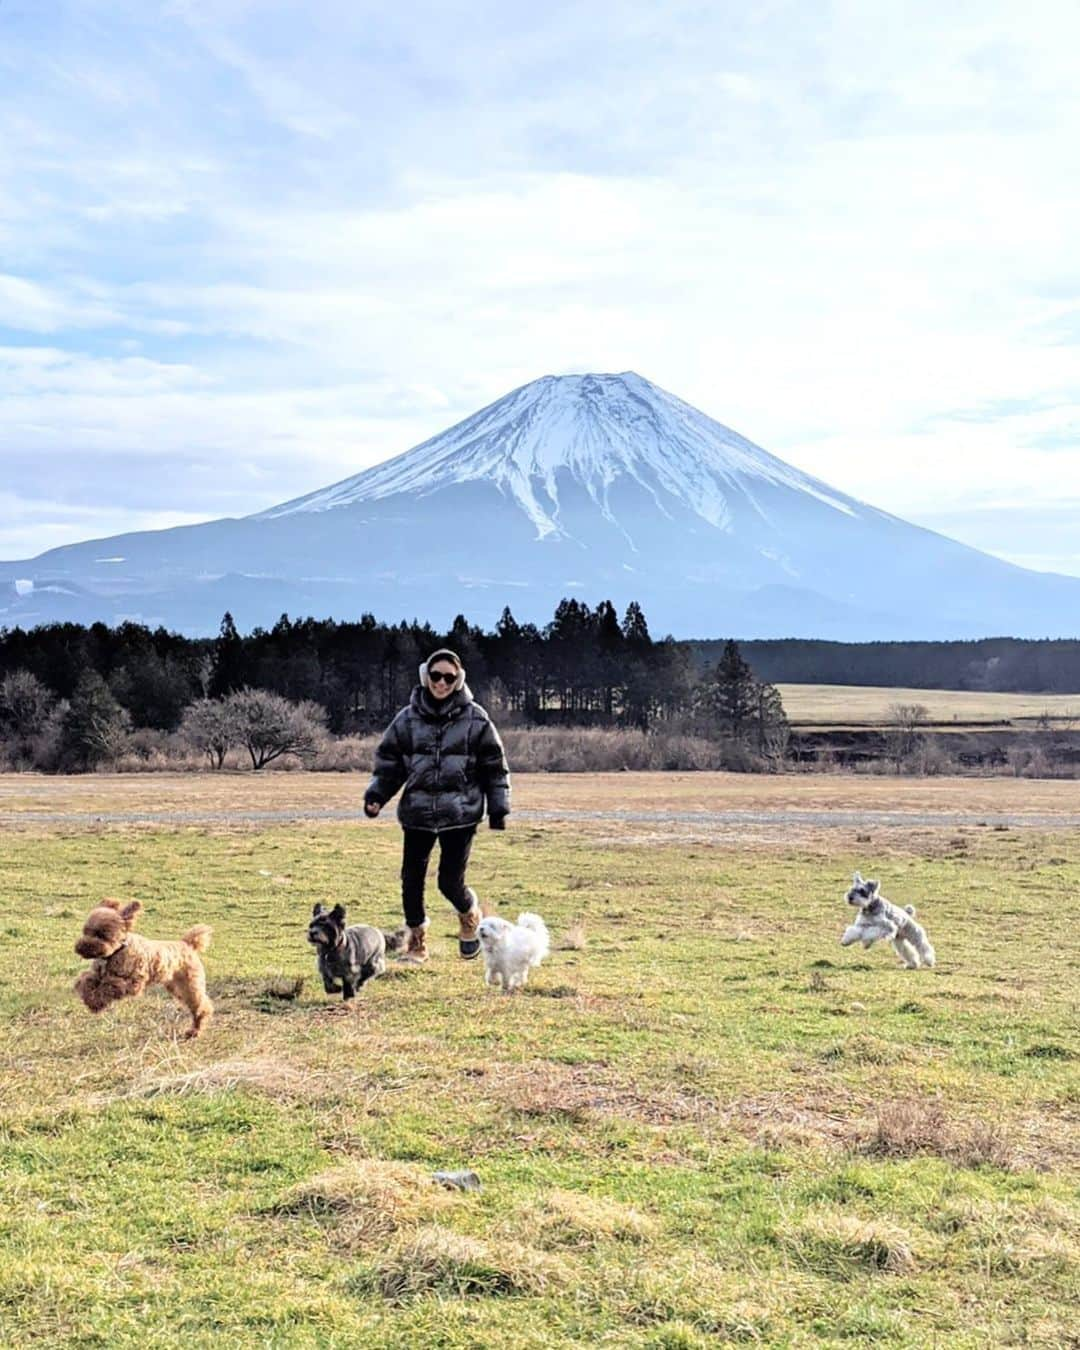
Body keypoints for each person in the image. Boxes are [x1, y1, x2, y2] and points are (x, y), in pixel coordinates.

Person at [363, 648, 510, 963]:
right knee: (411, 881)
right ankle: (417, 945)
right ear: (425, 676)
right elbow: (390, 763)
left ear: (458, 681)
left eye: (449, 677)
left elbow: (494, 766)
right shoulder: (407, 719)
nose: (441, 682)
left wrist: (498, 807)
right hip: (417, 813)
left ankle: (469, 915)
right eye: (436, 675)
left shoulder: (476, 718)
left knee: (448, 882)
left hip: (461, 813)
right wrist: (376, 796)